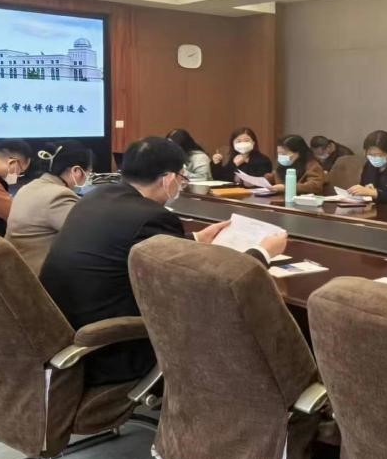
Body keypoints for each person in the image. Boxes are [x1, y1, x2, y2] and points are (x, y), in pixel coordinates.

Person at [39, 137, 287, 387]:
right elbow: (202, 288)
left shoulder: (97, 198)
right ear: (168, 179)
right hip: (111, 348)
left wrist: (197, 239)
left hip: (64, 334)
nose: (180, 183)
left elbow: (138, 247)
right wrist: (261, 253)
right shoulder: (152, 216)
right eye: (182, 177)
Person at [6, 141, 93, 274]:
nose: (88, 177)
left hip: (18, 268)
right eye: (89, 172)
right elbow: (88, 237)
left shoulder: (28, 187)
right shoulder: (59, 196)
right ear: (76, 171)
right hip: (40, 275)